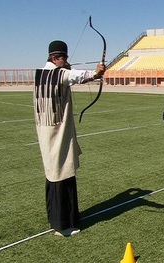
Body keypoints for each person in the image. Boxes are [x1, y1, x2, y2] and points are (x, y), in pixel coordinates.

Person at [33, 40, 105, 236]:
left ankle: (62, 220)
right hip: (57, 135)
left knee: (57, 174)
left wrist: (72, 71)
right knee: (60, 175)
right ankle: (62, 226)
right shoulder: (59, 74)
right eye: (63, 58)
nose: (66, 61)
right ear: (55, 58)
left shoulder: (42, 74)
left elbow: (68, 77)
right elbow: (74, 76)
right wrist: (96, 73)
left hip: (48, 133)